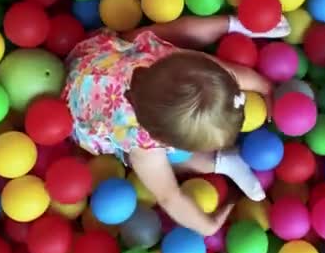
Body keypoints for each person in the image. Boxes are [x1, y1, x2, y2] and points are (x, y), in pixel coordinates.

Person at [62, 15, 290, 236]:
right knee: (166, 163)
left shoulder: (162, 58)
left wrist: (263, 85)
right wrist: (207, 226)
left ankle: (234, 23)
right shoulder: (140, 140)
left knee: (166, 37)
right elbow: (169, 195)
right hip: (79, 111)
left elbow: (217, 74)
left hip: (96, 57)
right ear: (163, 139)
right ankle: (221, 162)